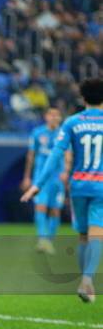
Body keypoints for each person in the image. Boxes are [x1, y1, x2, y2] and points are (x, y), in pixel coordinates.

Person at [22, 78, 103, 303]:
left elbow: (56, 155)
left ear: (83, 98)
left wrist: (37, 184)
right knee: (98, 234)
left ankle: (84, 279)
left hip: (78, 184)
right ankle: (87, 280)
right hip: (101, 185)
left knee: (83, 235)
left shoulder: (72, 123)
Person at [20, 108, 68, 254]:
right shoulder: (37, 133)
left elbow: (68, 154)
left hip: (57, 177)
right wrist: (27, 177)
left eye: (57, 115)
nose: (54, 118)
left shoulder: (64, 134)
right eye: (51, 115)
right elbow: (31, 155)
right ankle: (42, 239)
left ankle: (49, 241)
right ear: (46, 116)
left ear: (60, 118)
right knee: (40, 206)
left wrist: (66, 172)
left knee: (54, 210)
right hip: (41, 177)